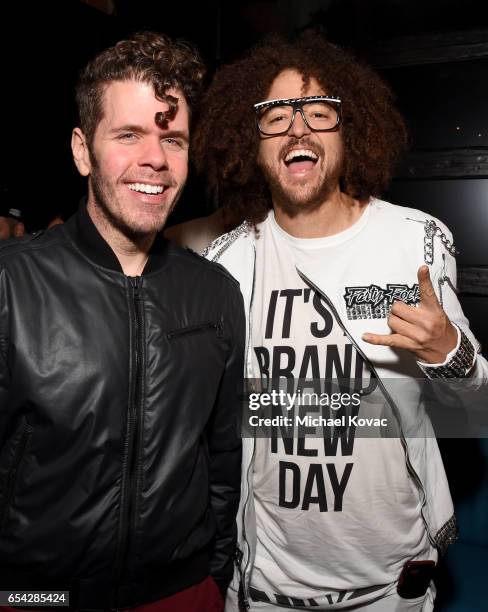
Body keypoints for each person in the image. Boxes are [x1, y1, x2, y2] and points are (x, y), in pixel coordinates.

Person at [188, 32, 488, 611]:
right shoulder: (228, 261)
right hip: (261, 588)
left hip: (390, 589)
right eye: (276, 117)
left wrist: (449, 350)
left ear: (349, 135)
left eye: (320, 114)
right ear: (253, 144)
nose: (298, 129)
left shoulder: (413, 243)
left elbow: (478, 402)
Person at [0, 32, 245, 611]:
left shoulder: (215, 293)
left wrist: (211, 574)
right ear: (83, 150)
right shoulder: (10, 284)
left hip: (182, 594)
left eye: (173, 139)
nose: (155, 159)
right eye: (129, 134)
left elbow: (224, 459)